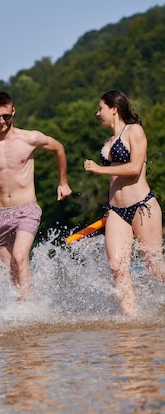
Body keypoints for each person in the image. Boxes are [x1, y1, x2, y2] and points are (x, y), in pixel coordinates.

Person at [0, 91, 72, 301]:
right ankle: (22, 309)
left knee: (20, 258)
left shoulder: (29, 138)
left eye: (6, 116)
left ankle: (28, 311)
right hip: (0, 215)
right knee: (10, 272)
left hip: (26, 209)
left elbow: (59, 148)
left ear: (13, 112)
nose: (1, 121)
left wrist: (63, 182)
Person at [84, 90, 165, 316]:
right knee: (118, 268)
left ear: (114, 108)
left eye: (100, 108)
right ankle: (132, 323)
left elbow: (134, 168)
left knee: (155, 268)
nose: (97, 113)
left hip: (142, 206)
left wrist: (99, 168)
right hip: (116, 211)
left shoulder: (135, 131)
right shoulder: (108, 142)